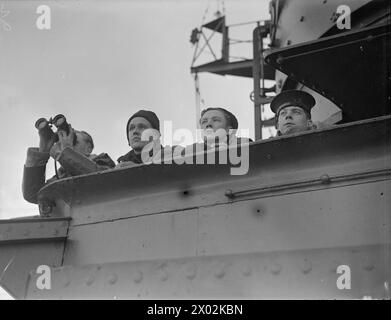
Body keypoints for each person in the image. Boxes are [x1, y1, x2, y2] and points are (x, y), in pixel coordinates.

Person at [22, 122, 115, 204]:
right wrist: (42, 153)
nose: (64, 143)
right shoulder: (60, 176)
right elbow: (33, 194)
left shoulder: (103, 162)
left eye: (74, 141)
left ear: (88, 148)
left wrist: (66, 152)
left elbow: (100, 180)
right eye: (61, 140)